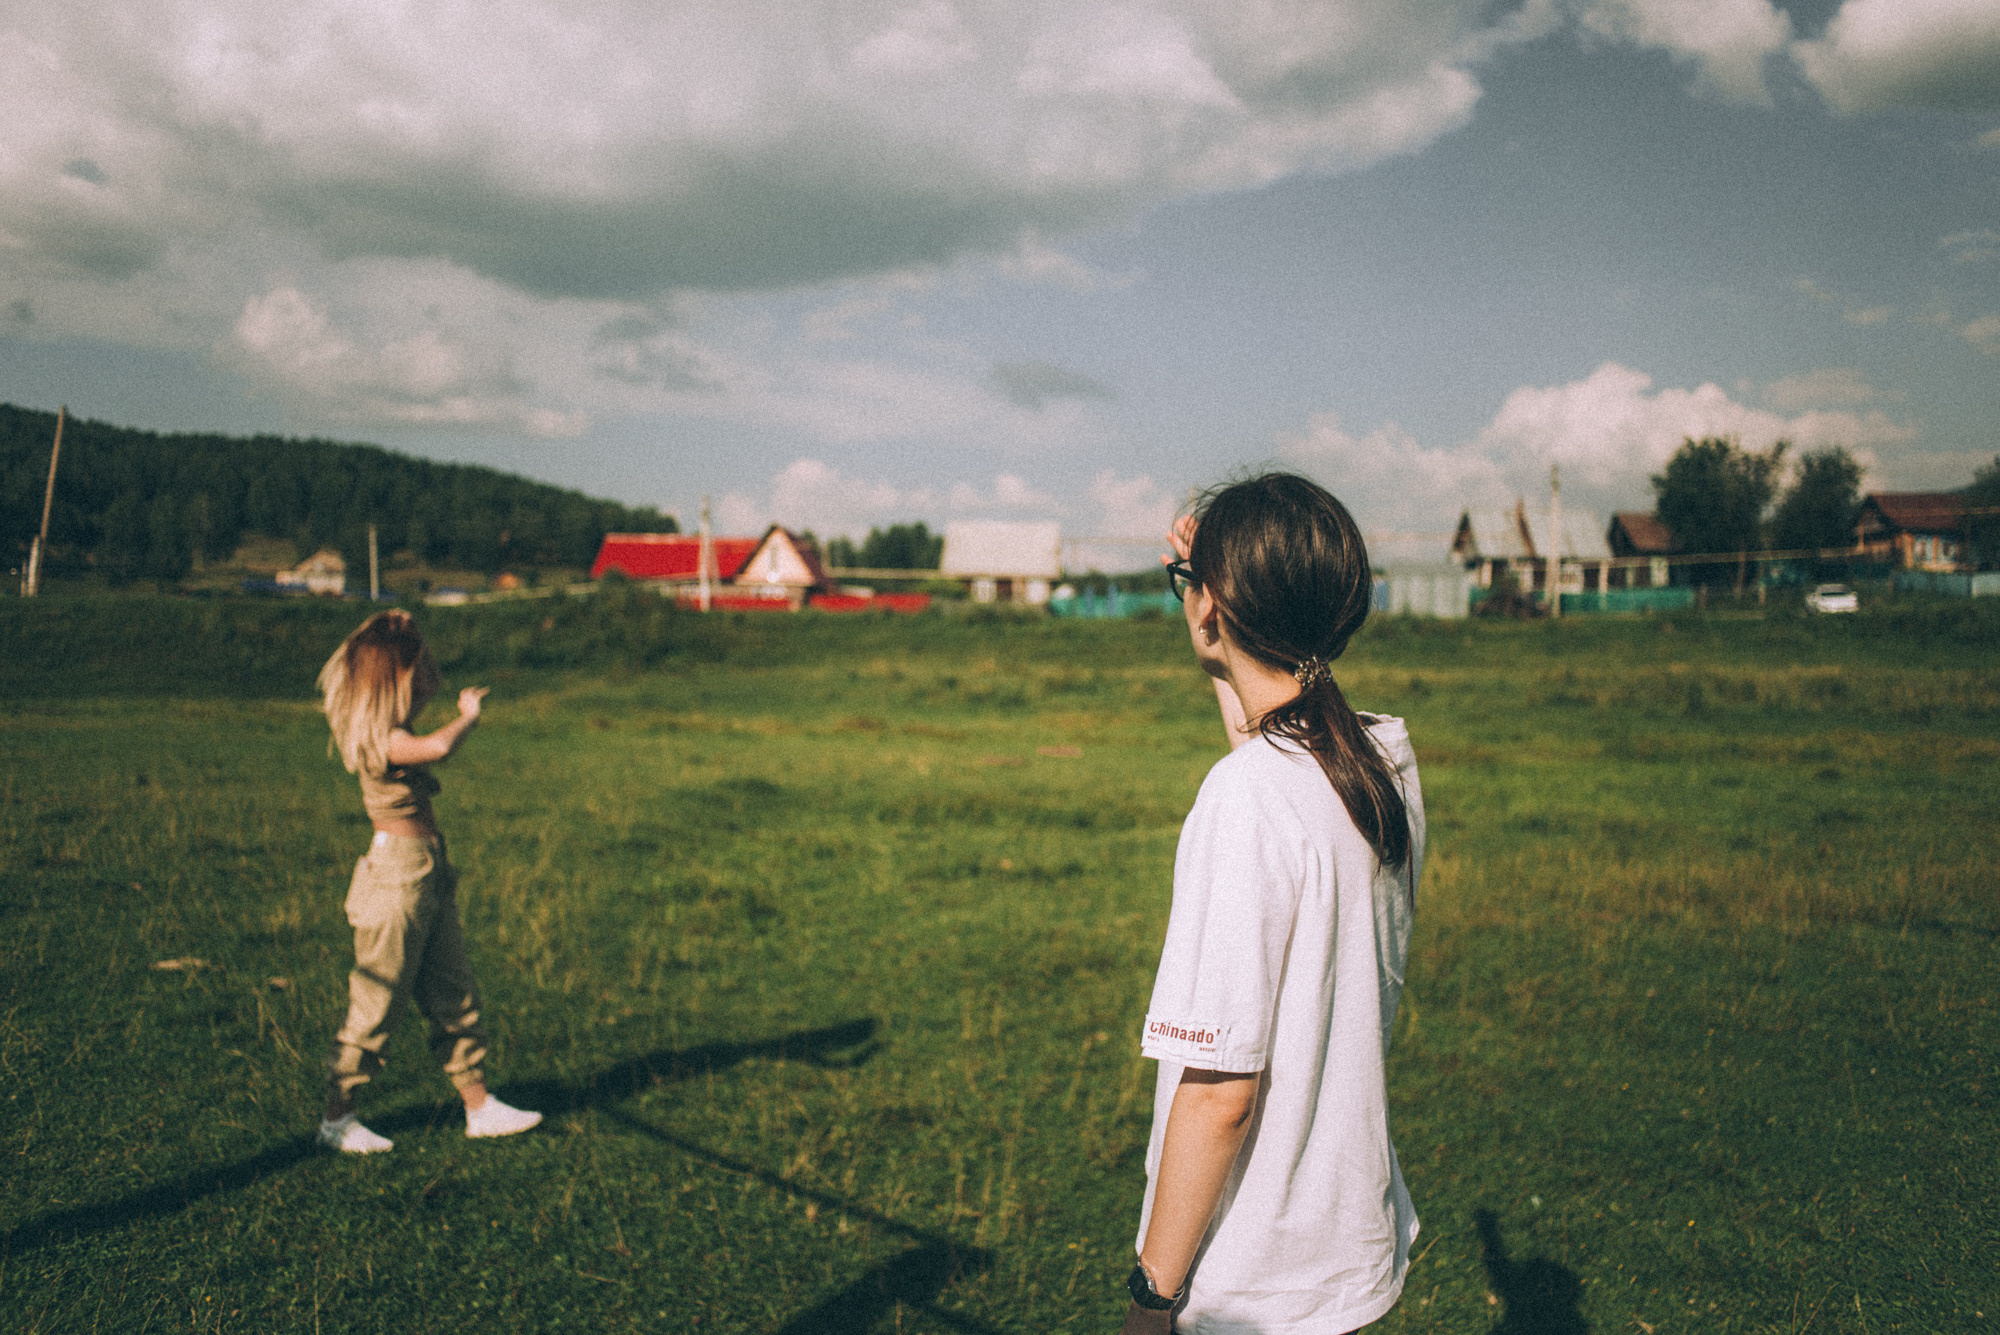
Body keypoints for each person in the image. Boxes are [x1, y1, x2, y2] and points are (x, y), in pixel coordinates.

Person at [1122, 474, 1423, 1334]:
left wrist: (1153, 1300)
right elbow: (1275, 745)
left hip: (1253, 1283)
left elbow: (1221, 1094)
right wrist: (1218, 619)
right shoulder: (1381, 756)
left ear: (1213, 605)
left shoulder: (1245, 800)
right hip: (1343, 1247)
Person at [314, 609, 541, 1153]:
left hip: (426, 871)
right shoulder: (378, 738)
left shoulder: (395, 728)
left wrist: (396, 622)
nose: (421, 690)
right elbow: (438, 749)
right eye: (412, 679)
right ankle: (336, 1118)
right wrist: (468, 715)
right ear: (390, 684)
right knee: (376, 1007)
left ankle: (479, 1106)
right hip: (396, 881)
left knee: (454, 992)